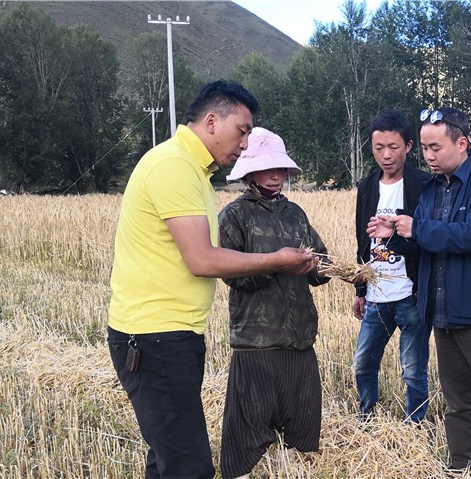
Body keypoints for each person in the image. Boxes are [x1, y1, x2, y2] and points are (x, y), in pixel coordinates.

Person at [107, 80, 317, 479]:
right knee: (189, 467)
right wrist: (277, 260)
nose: (244, 144)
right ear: (211, 121)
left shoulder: (192, 171)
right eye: (242, 131)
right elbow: (202, 259)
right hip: (154, 336)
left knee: (169, 461)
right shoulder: (173, 166)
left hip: (170, 335)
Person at [370, 107, 471, 474]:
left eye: (436, 147)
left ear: (463, 143)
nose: (428, 156)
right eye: (425, 148)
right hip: (442, 314)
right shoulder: (432, 189)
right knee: (457, 402)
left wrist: (416, 228)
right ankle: (464, 467)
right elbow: (425, 244)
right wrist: (394, 237)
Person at [217, 127, 331, 479]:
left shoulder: (295, 213)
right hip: (256, 339)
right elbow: (231, 273)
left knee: (301, 420)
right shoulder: (235, 216)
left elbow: (319, 261)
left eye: (280, 168)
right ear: (250, 173)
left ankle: (292, 470)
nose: (276, 174)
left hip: (298, 335)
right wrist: (276, 264)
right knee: (248, 424)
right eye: (267, 168)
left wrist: (335, 270)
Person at [352, 110, 432, 423]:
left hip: (410, 294)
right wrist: (360, 290)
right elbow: (362, 241)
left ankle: (415, 424)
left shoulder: (424, 184)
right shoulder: (367, 187)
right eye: (379, 148)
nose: (386, 155)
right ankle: (367, 417)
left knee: (413, 368)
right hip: (376, 295)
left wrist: (398, 235)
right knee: (363, 363)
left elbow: (428, 239)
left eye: (393, 147)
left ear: (408, 146)